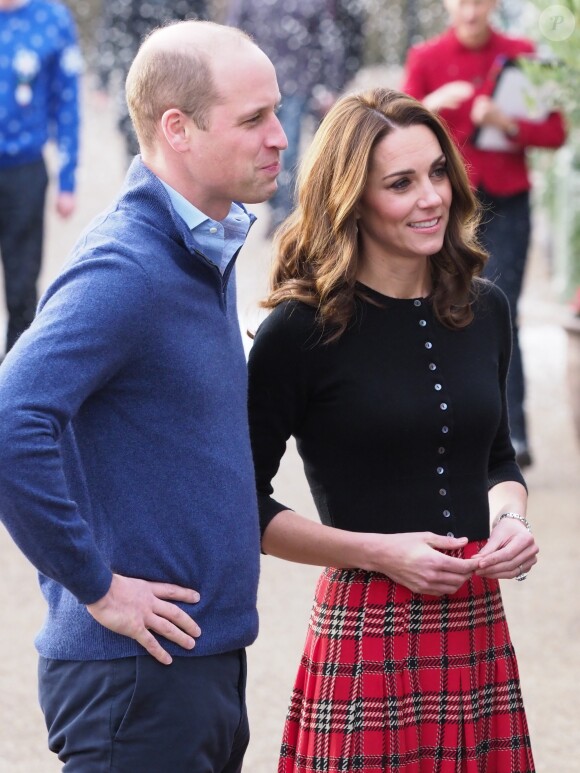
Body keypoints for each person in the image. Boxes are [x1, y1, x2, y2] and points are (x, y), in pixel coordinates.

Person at [0, 20, 286, 772]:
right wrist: (94, 584)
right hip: (135, 678)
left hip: (193, 667)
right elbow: (11, 418)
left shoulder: (199, 247)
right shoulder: (128, 263)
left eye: (277, 112)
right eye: (254, 118)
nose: (280, 136)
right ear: (177, 129)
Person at [247, 87, 539, 771]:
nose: (432, 196)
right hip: (366, 626)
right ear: (352, 197)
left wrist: (511, 520)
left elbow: (495, 455)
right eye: (401, 183)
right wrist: (377, 552)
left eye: (438, 172)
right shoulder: (300, 330)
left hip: (475, 621)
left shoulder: (485, 308)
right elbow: (242, 504)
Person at [401, 0, 567, 469]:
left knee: (501, 309)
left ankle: (510, 432)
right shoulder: (427, 58)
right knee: (439, 305)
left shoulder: (521, 55)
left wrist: (506, 123)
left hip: (507, 202)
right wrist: (432, 108)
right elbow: (391, 127)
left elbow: (555, 132)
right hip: (445, 205)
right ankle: (442, 429)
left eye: (479, 0)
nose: (470, 10)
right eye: (461, 1)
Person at [0, 0, 81, 356]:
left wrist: (67, 179)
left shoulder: (52, 18)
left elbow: (67, 102)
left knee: (21, 287)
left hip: (24, 169)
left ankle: (13, 384)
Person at [227, 0, 348, 234]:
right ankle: (279, 208)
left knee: (287, 149)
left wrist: (331, 85)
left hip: (297, 84)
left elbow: (329, 40)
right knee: (259, 147)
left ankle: (286, 215)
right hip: (257, 86)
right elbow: (232, 39)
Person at [92, 0, 208, 164]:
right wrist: (102, 81)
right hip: (134, 80)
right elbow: (111, 29)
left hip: (177, 78)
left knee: (179, 140)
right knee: (137, 146)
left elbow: (201, 29)